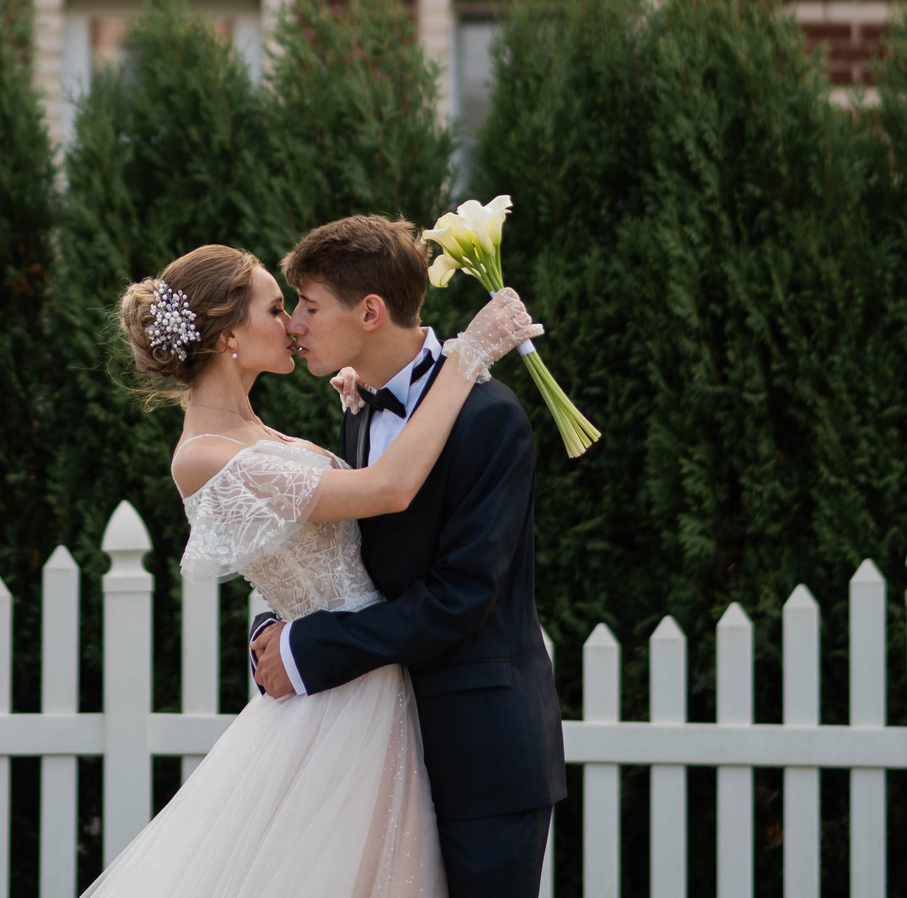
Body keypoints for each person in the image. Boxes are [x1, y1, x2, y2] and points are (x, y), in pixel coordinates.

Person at [81, 240, 540, 898]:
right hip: (340, 706)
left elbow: (323, 552)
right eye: (277, 308)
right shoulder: (204, 455)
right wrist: (466, 358)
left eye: (299, 306)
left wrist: (370, 399)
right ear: (230, 335)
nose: (293, 323)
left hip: (394, 699)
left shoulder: (282, 427)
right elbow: (388, 490)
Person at [251, 216, 564, 898]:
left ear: (370, 312)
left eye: (308, 305)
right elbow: (352, 563)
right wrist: (277, 626)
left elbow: (460, 597)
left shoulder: (490, 418)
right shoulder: (358, 409)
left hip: (481, 752)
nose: (294, 323)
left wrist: (310, 649)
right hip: (377, 746)